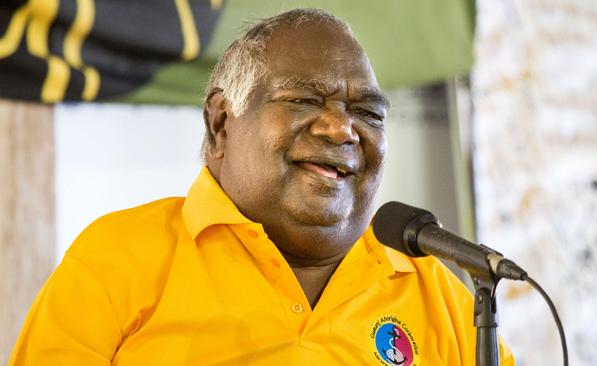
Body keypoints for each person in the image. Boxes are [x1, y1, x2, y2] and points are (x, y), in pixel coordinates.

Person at [10, 8, 514, 365]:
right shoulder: (116, 260)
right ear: (221, 124)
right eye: (302, 101)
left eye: (366, 113)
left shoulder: (435, 293)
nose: (341, 129)